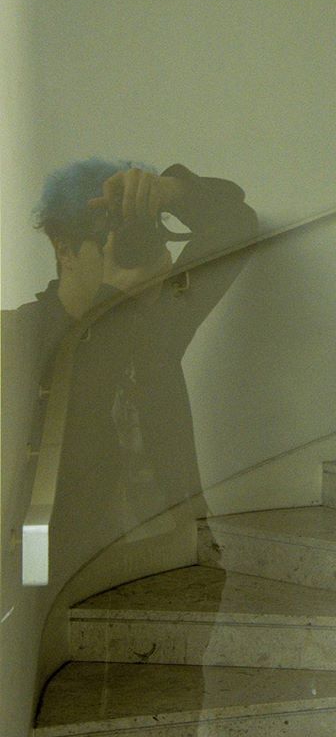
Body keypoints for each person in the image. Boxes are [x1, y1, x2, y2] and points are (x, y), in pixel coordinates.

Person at [18, 158, 258, 518]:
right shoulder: (23, 334)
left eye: (141, 236)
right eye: (110, 239)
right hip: (77, 565)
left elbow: (237, 224)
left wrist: (170, 191)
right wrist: (112, 298)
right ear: (64, 249)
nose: (131, 251)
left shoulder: (155, 319)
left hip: (175, 551)